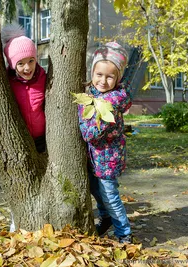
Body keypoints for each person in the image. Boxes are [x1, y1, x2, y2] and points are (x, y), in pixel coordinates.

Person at [77, 42, 133, 243]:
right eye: (99, 74)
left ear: (118, 78)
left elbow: (91, 134)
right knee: (94, 188)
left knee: (110, 196)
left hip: (108, 158)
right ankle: (106, 217)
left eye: (110, 76)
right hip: (93, 157)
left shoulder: (111, 102)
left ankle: (124, 234)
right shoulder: (91, 95)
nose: (103, 80)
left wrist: (87, 121)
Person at [0, 23, 47, 153]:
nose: (27, 68)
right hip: (19, 138)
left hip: (43, 138)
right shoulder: (6, 82)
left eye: (31, 61)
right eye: (20, 63)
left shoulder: (43, 77)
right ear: (12, 64)